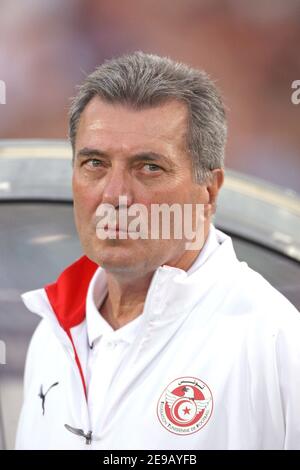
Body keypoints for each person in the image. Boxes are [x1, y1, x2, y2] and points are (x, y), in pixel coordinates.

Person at [16, 52, 300, 450]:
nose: (114, 195)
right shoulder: (52, 334)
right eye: (95, 163)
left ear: (209, 190)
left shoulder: (275, 343)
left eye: (148, 167)